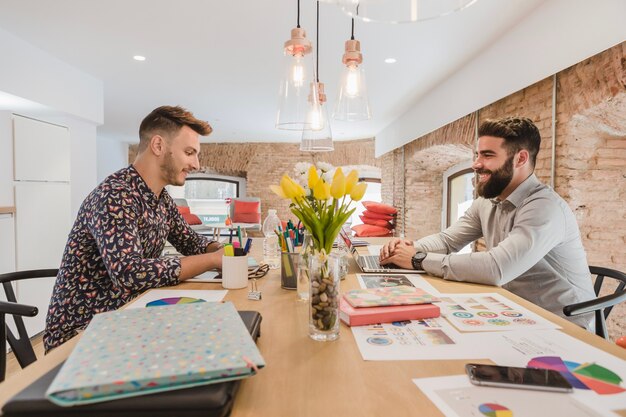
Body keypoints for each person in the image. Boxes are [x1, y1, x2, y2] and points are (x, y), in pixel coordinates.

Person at [380, 116, 595, 329]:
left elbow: (496, 267)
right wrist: (410, 248)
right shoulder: (488, 201)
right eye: (477, 154)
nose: (476, 164)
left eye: (487, 155)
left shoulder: (544, 207)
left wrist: (418, 259)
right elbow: (447, 240)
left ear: (520, 159)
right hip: (514, 311)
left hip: (563, 325)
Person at [44, 105, 224, 352]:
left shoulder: (161, 197)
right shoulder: (115, 195)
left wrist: (221, 250)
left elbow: (190, 241)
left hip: (127, 316)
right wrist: (213, 260)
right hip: (83, 332)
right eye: (190, 152)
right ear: (158, 146)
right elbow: (130, 273)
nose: (196, 164)